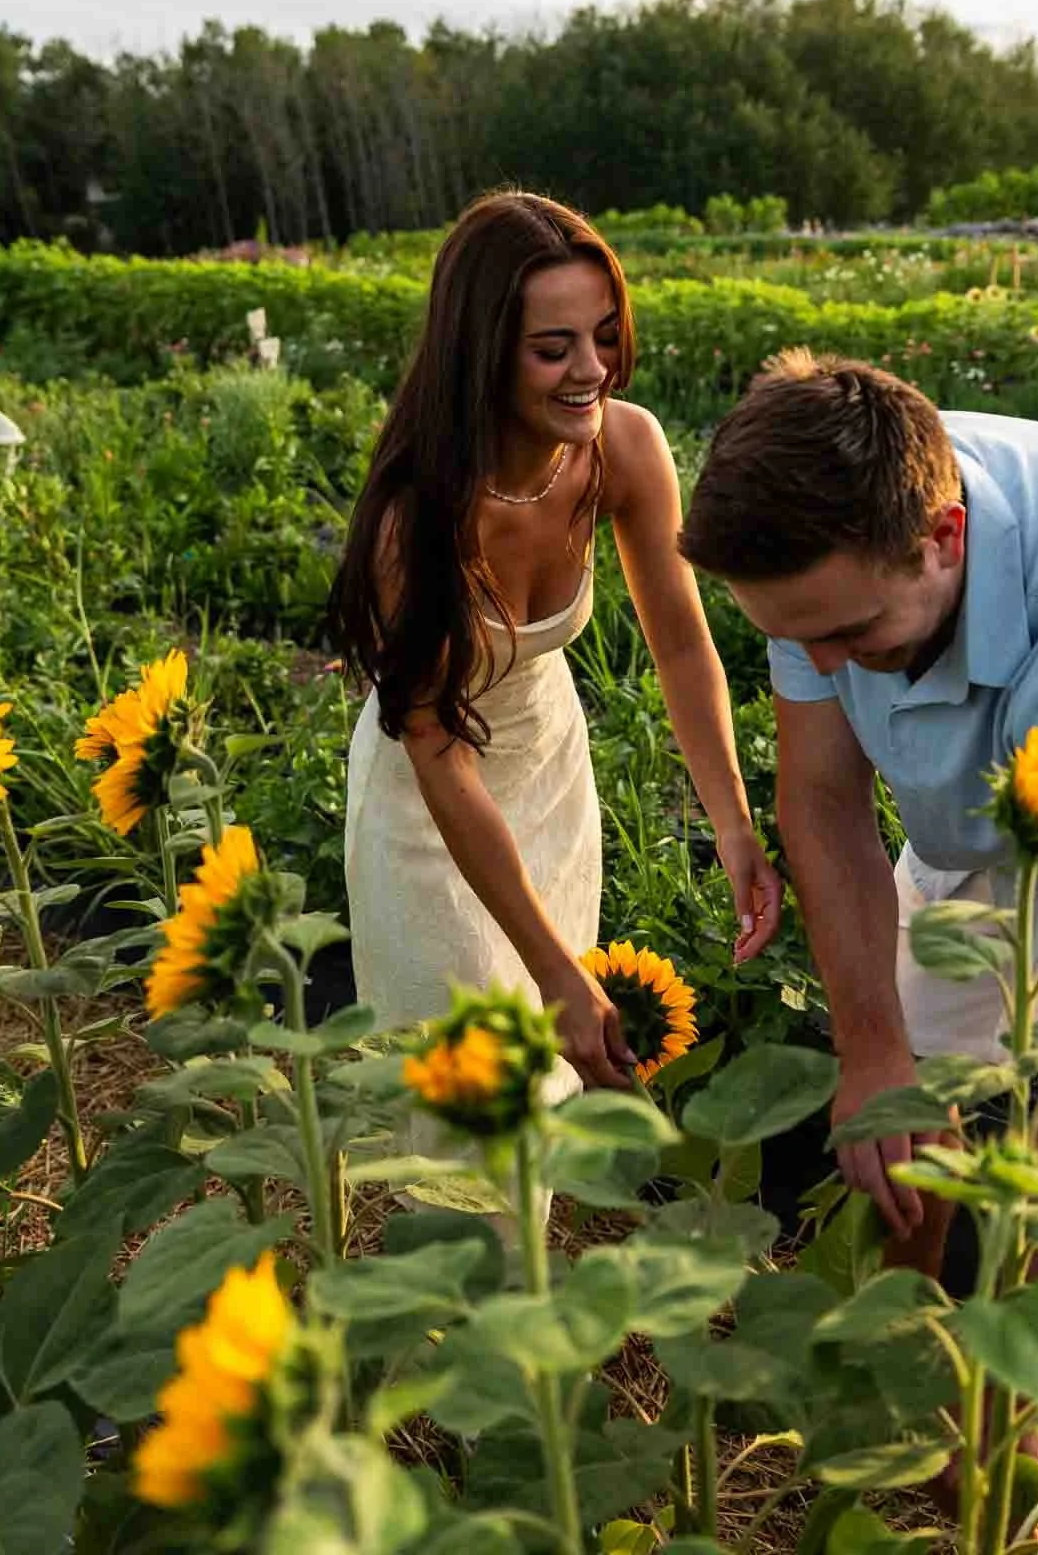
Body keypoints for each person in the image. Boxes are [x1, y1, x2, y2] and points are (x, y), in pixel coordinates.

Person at [679, 348, 1038, 1434]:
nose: (818, 670)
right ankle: (913, 1423)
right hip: (980, 811)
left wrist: (1033, 1368)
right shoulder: (821, 550)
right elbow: (823, 802)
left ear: (944, 541)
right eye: (791, 639)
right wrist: (873, 1052)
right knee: (902, 1116)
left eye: (848, 637)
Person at [331, 191, 781, 1123]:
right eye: (554, 348)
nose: (594, 371)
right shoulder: (418, 516)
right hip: (431, 807)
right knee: (474, 1106)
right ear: (481, 351)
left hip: (546, 771)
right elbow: (439, 753)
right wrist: (555, 967)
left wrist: (734, 825)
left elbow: (685, 644)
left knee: (543, 1093)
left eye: (605, 335)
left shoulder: (624, 446)